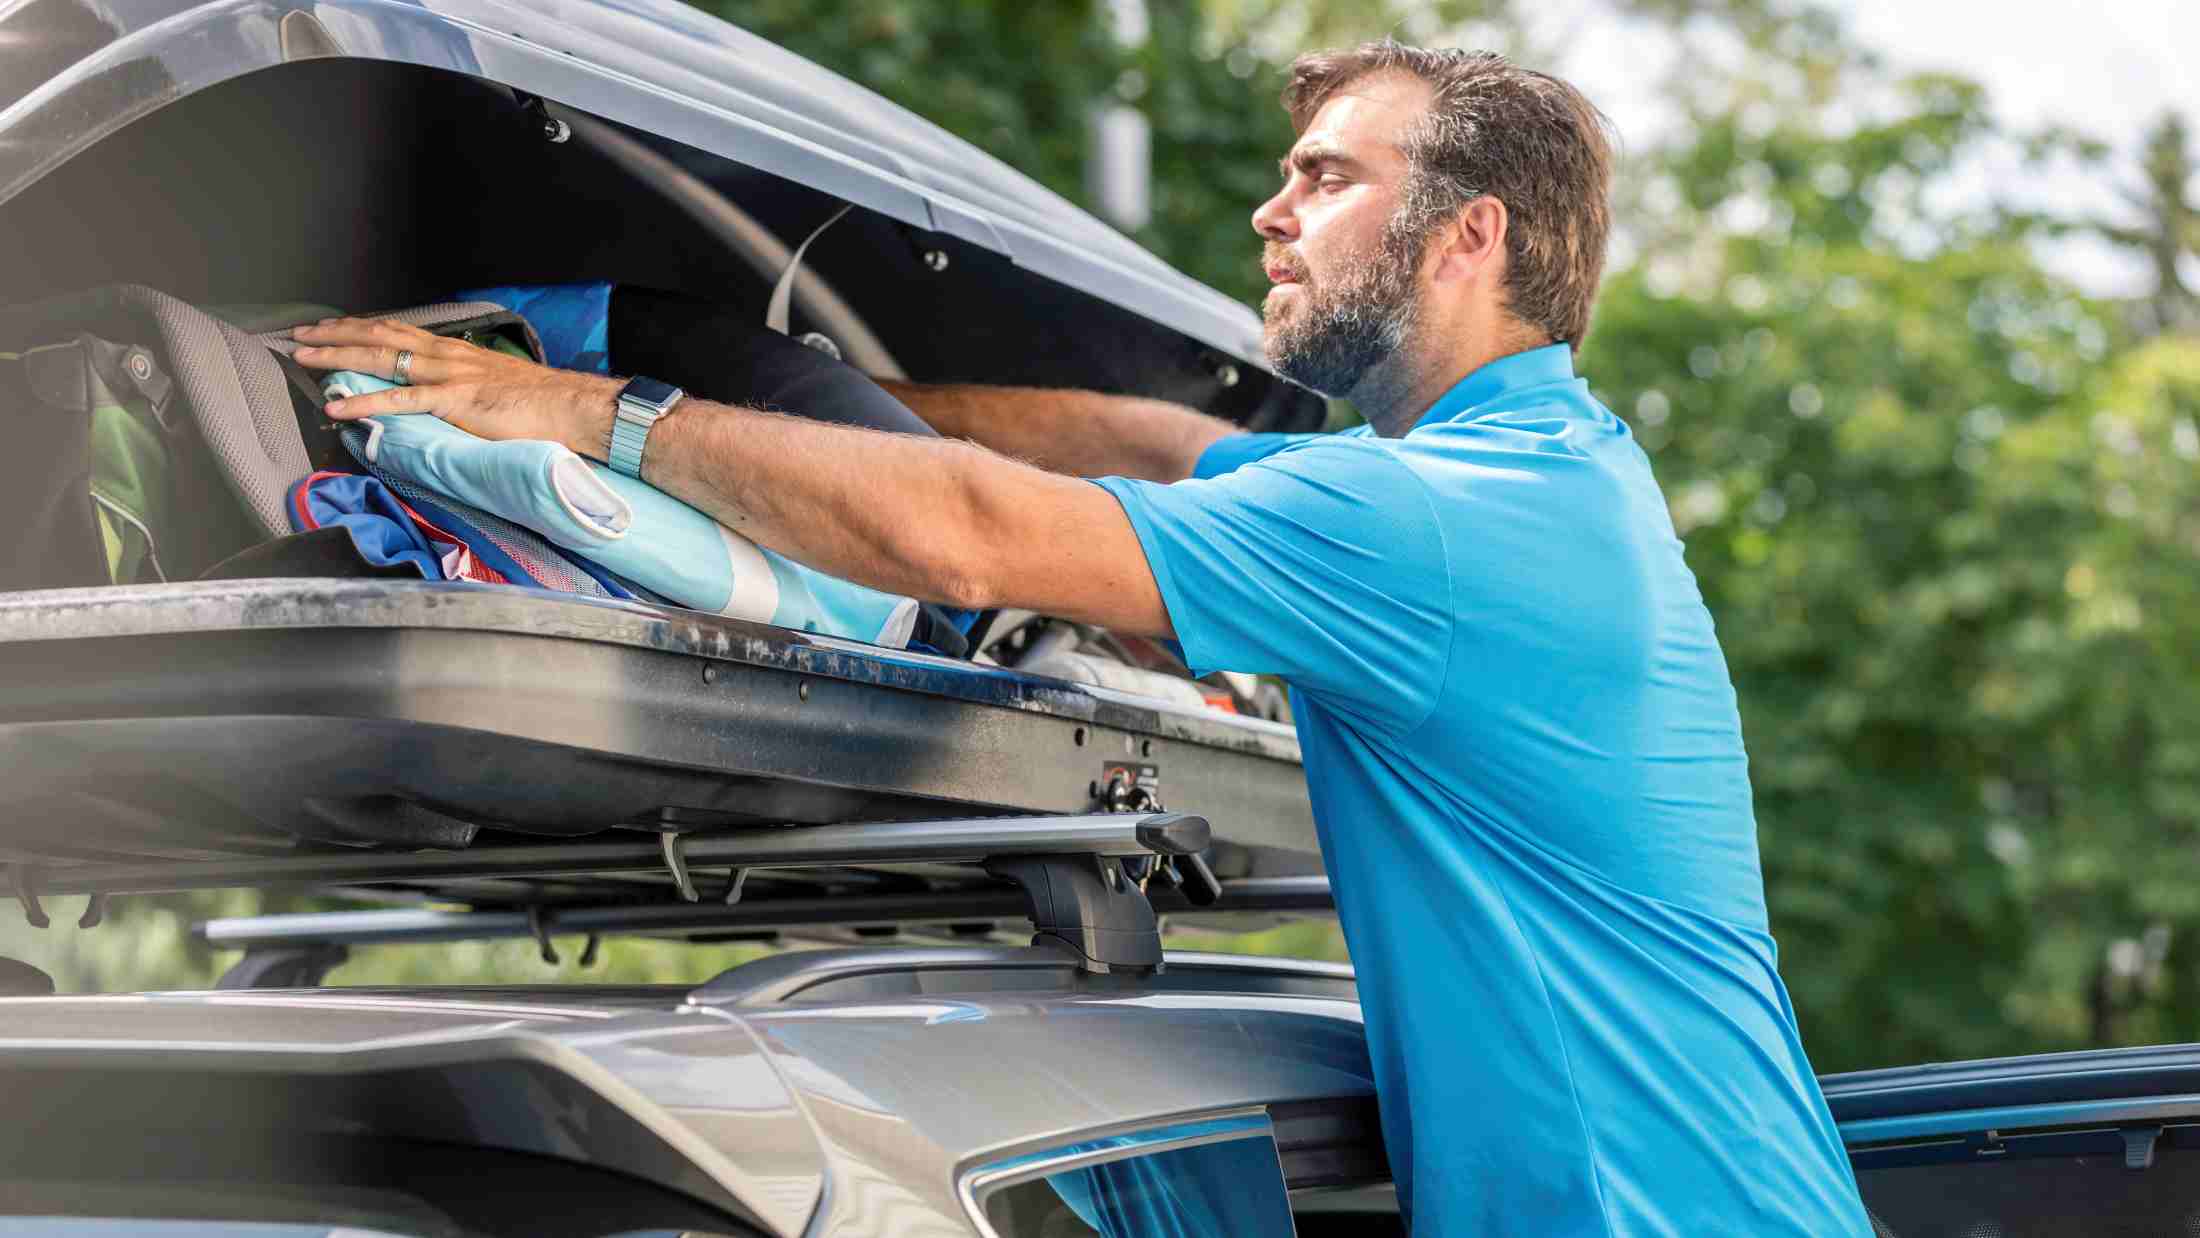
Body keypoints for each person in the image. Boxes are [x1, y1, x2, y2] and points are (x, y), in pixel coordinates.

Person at [295, 39, 1873, 1237]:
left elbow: (972, 533)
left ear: (1470, 236)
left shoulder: (1426, 525)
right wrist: (791, 394)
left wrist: (585, 409)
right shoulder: (1521, 475)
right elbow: (1148, 443)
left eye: (1328, 176)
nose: (1274, 206)